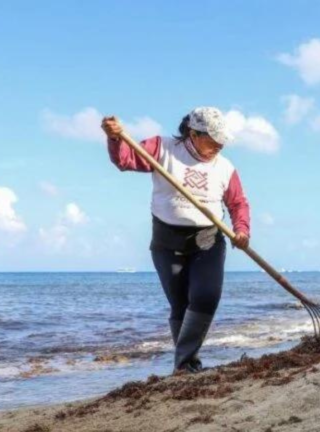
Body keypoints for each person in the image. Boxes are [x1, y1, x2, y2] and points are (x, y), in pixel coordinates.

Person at [101, 107, 251, 374]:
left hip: (207, 240)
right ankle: (186, 366)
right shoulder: (162, 148)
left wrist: (241, 230)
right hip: (167, 241)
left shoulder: (225, 168)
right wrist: (115, 138)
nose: (220, 144)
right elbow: (125, 160)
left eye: (222, 139)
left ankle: (183, 361)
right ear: (193, 133)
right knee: (180, 304)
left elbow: (238, 203)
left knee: (206, 296)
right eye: (213, 139)